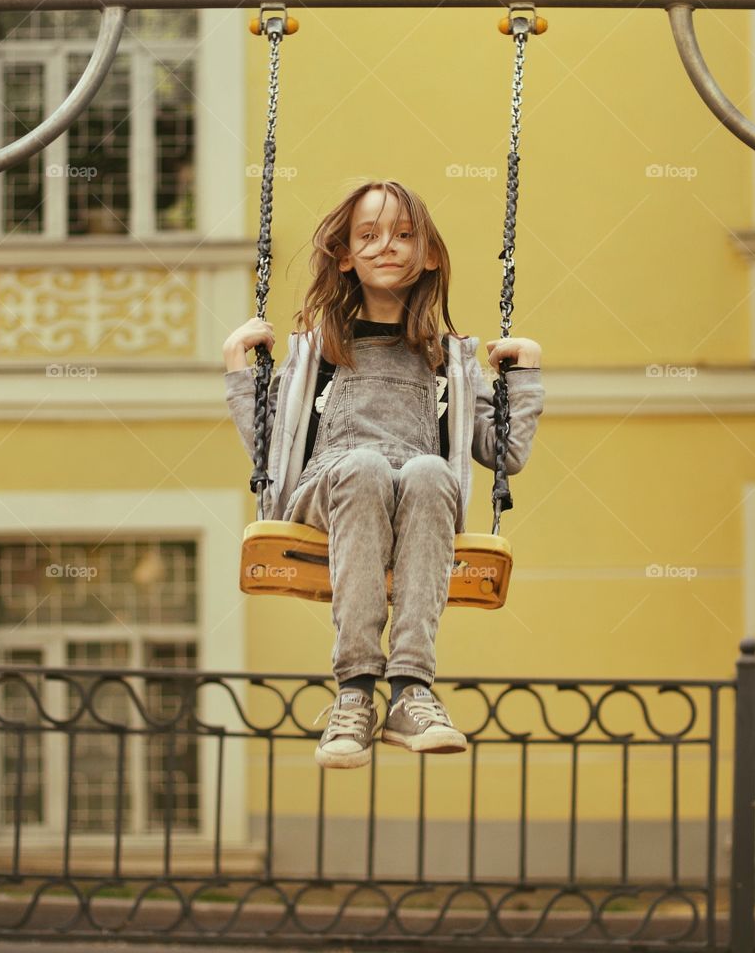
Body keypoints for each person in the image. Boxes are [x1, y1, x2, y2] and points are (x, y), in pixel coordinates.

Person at [223, 179, 544, 769]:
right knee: (367, 467)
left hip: (414, 497)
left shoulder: (452, 360)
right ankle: (353, 692)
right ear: (345, 254)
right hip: (328, 487)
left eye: (403, 235)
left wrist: (524, 374)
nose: (386, 246)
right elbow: (269, 449)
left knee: (426, 470)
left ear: (430, 255)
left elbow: (507, 455)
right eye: (368, 235)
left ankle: (410, 690)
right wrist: (240, 370)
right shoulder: (317, 349)